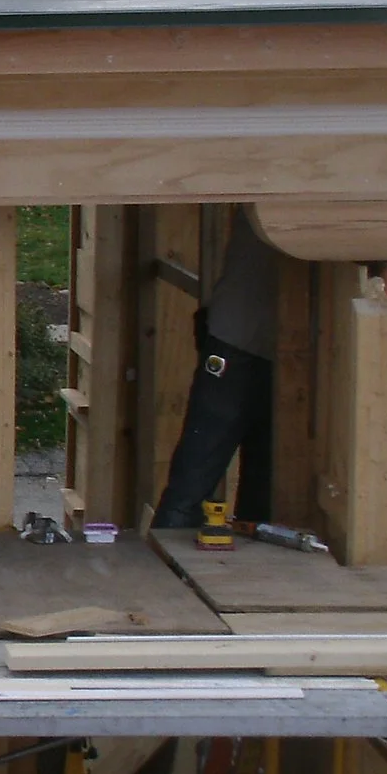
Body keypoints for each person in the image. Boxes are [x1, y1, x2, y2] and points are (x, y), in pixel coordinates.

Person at [151, 205, 279, 530]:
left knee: (264, 490)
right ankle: (167, 566)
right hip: (236, 343)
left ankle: (252, 574)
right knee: (193, 479)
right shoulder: (277, 188)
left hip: (277, 351)